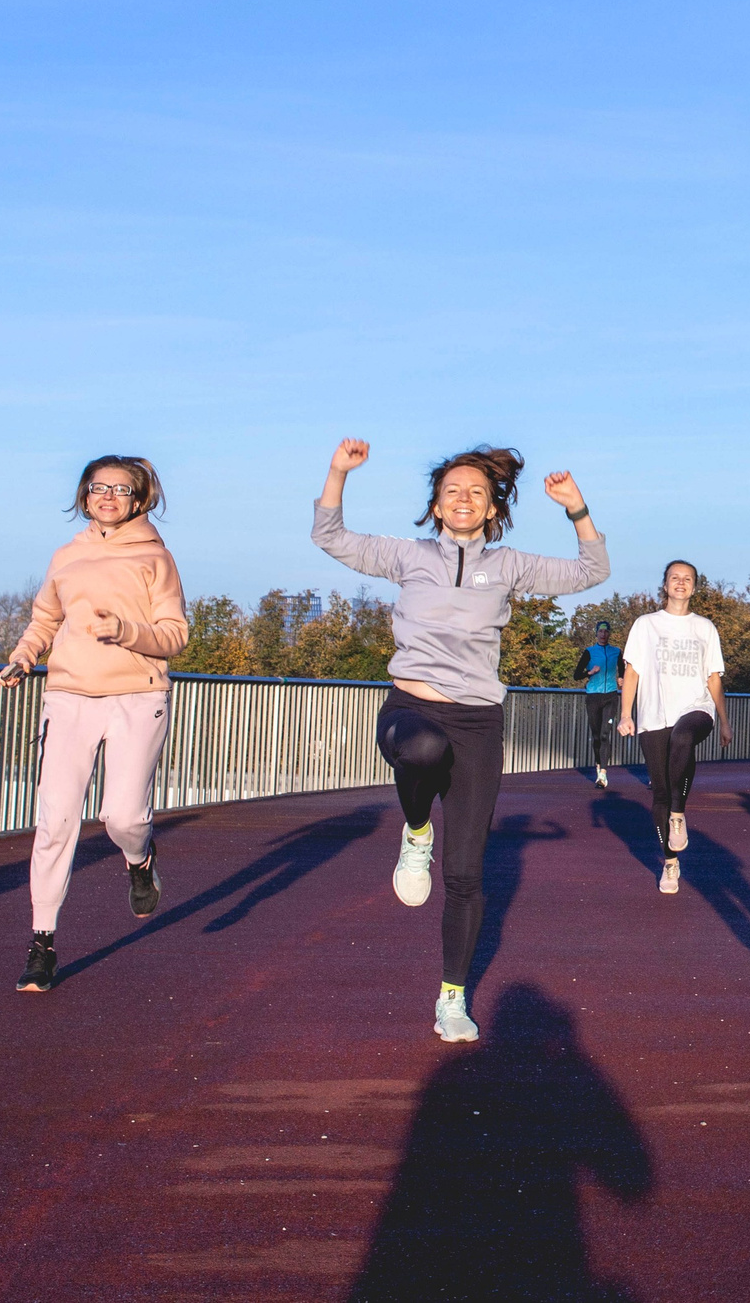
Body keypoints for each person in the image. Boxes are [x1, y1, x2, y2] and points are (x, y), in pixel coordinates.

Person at [313, 437, 607, 1043]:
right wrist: (338, 472)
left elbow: (592, 571)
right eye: (453, 492)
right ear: (437, 507)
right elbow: (332, 537)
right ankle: (416, 829)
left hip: (477, 721)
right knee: (422, 750)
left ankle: (453, 996)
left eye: (477, 491)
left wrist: (576, 509)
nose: (465, 499)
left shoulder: (509, 565)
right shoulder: (408, 556)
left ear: (493, 508)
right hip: (412, 707)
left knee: (466, 873)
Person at [0, 455, 189, 995]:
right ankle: (42, 944)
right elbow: (45, 618)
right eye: (98, 487)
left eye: (120, 489)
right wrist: (24, 655)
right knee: (56, 819)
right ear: (84, 495)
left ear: (139, 499)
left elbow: (174, 635)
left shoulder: (156, 558)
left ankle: (139, 857)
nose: (107, 496)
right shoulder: (66, 555)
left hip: (136, 694)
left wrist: (126, 630)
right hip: (68, 695)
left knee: (123, 816)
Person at [617, 560, 731, 893]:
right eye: (674, 578)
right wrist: (626, 714)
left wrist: (724, 720)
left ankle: (678, 815)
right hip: (654, 714)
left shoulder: (705, 628)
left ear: (695, 587)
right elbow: (633, 672)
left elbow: (713, 678)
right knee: (661, 792)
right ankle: (670, 863)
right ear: (665, 585)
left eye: (688, 579)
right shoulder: (645, 625)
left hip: (696, 708)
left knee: (683, 736)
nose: (681, 583)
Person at [581, 620, 621, 789]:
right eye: (601, 631)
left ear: (609, 633)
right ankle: (599, 764)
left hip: (610, 696)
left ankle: (603, 773)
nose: (603, 634)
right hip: (593, 697)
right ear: (596, 633)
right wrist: (590, 672)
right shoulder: (589, 652)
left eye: (606, 631)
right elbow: (577, 674)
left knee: (606, 733)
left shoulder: (616, 652)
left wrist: (622, 678)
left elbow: (624, 671)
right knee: (597, 735)